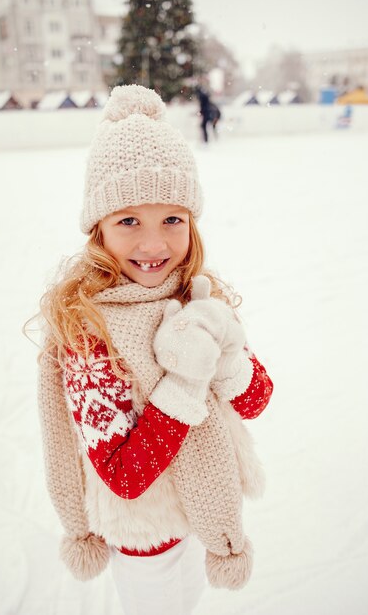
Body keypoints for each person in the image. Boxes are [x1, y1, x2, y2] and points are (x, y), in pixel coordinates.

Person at [31, 84, 273, 615]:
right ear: (98, 228)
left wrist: (226, 351)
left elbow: (255, 400)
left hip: (206, 514)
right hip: (149, 540)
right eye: (128, 221)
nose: (153, 244)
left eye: (172, 219)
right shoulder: (90, 331)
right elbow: (124, 475)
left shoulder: (197, 297)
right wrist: (185, 383)